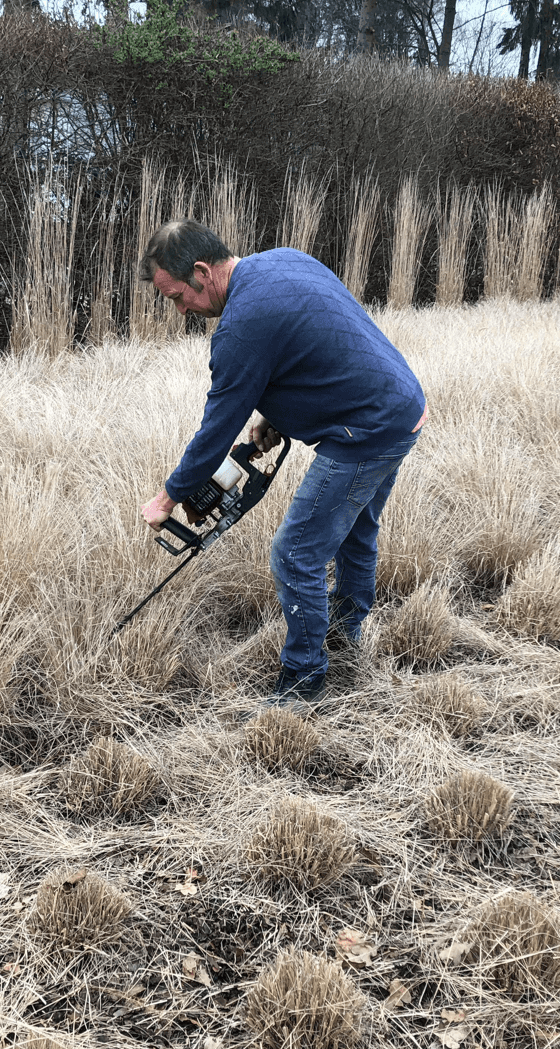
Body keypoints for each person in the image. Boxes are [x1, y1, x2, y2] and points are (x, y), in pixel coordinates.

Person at [137, 220, 427, 703]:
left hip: (366, 432)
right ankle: (346, 636)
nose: (180, 309)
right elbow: (318, 345)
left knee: (295, 554)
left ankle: (303, 681)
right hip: (403, 407)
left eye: (175, 297)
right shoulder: (283, 259)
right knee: (355, 532)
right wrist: (276, 415)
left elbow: (216, 431)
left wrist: (168, 497)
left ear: (202, 272)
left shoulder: (239, 329)